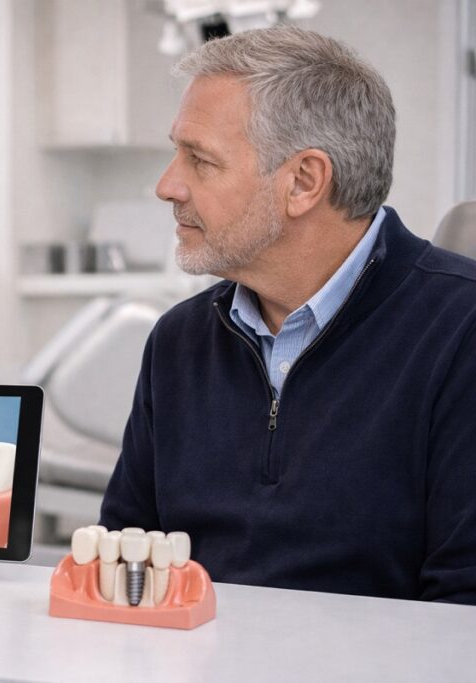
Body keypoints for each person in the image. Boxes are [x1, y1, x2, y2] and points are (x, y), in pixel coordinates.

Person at [99, 26, 476, 604]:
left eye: (200, 160)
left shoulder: (460, 331)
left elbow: (463, 613)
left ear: (303, 182)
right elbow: (123, 562)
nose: (167, 185)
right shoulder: (179, 340)